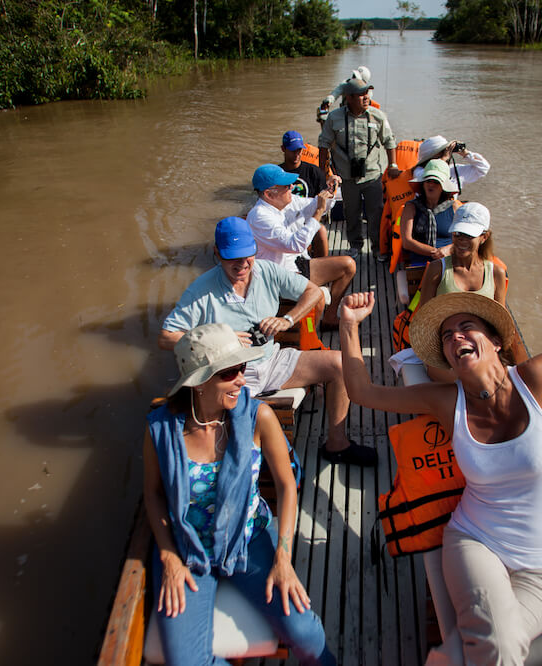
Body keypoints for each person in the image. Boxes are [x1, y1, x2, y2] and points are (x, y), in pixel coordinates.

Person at [338, 236, 542, 664]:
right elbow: (363, 391)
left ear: (496, 341)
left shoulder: (536, 379)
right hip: (475, 544)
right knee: (498, 647)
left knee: (468, 653)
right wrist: (349, 326)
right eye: (446, 336)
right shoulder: (445, 402)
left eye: (466, 328)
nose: (455, 337)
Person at [144, 323, 336, 665]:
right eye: (230, 372)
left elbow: (286, 485)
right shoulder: (160, 429)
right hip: (190, 551)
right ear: (199, 381)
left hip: (248, 540)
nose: (241, 380)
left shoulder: (258, 416)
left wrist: (283, 555)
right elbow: (154, 494)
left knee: (308, 636)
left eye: (243, 369)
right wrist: (169, 555)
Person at [158, 216, 376, 466]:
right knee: (229, 428)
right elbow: (166, 337)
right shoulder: (201, 289)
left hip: (272, 360)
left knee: (340, 363)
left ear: (255, 250)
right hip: (229, 375)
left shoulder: (267, 270)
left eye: (247, 255)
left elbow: (313, 292)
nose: (242, 264)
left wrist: (287, 319)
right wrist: (220, 340)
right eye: (232, 258)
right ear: (217, 253)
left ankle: (337, 444)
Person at [247, 164, 355, 329]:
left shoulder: (286, 201)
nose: (292, 187)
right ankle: (308, 340)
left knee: (348, 265)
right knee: (316, 296)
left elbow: (314, 205)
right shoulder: (260, 217)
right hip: (278, 276)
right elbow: (295, 245)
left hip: (296, 263)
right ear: (269, 194)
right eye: (286, 186)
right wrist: (318, 213)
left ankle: (330, 317)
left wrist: (329, 192)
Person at [415, 202, 508, 383]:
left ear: (484, 237)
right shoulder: (436, 269)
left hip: (479, 345)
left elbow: (499, 322)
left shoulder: (496, 273)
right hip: (444, 346)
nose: (461, 241)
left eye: (468, 235)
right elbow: (424, 318)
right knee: (468, 379)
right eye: (457, 234)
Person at [318, 78, 400, 257]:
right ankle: (355, 245)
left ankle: (378, 248)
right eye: (361, 94)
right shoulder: (334, 117)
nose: (366, 97)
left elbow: (389, 141)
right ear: (349, 97)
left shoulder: (378, 116)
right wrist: (323, 173)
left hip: (372, 175)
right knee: (351, 212)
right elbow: (324, 144)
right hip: (347, 177)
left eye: (367, 93)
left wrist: (393, 165)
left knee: (375, 214)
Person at [399, 159, 459, 266]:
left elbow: (462, 239)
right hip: (420, 260)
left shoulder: (454, 207)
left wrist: (447, 250)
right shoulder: (411, 207)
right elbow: (407, 242)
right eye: (428, 181)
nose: (431, 185)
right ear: (422, 184)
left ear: (443, 186)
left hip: (449, 258)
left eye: (436, 182)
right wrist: (435, 252)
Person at [412, 135, 490, 194]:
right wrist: (444, 158)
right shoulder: (419, 171)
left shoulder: (453, 170)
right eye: (443, 151)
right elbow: (433, 176)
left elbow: (483, 168)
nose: (448, 154)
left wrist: (465, 153)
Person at [280, 130, 326, 199]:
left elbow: (324, 199)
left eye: (299, 150)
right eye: (292, 150)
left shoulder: (314, 172)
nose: (296, 154)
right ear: (283, 149)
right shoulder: (277, 174)